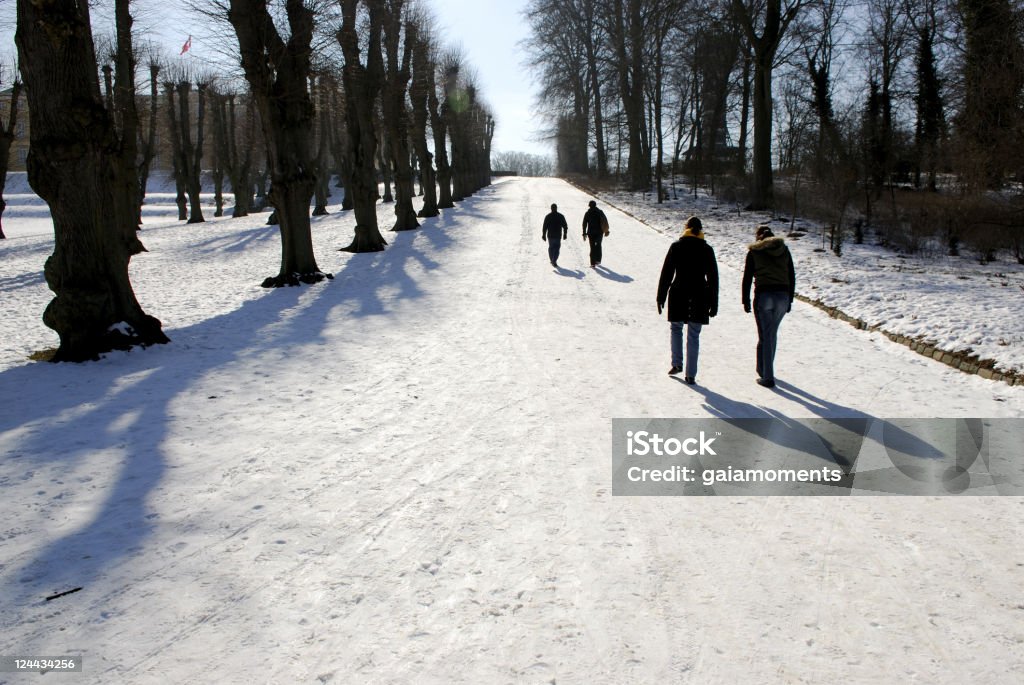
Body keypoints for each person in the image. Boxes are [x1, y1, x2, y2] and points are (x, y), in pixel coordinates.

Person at [656, 216, 719, 384]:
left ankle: (677, 363)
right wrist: (714, 303)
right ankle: (691, 374)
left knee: (676, 328)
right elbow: (713, 278)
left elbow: (667, 273)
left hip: (678, 292)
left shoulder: (677, 247)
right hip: (700, 294)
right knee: (694, 335)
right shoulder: (707, 250)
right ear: (701, 230)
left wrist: (660, 296)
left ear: (686, 228)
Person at [741, 225, 796, 388]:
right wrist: (790, 300)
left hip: (764, 296)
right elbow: (791, 275)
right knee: (771, 334)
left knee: (766, 335)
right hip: (783, 296)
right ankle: (763, 369)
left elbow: (747, 278)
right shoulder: (784, 250)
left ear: (759, 238)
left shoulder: (754, 252)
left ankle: (767, 376)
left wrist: (745, 299)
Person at [581, 200, 609, 267]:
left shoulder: (588, 213)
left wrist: (584, 233)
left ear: (589, 206)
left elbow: (584, 224)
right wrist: (606, 231)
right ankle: (598, 260)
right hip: (599, 232)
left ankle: (592, 263)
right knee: (598, 245)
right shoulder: (600, 212)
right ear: (595, 205)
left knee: (592, 247)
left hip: (591, 233)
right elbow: (605, 222)